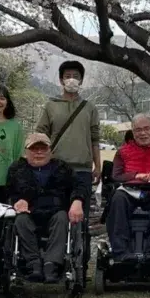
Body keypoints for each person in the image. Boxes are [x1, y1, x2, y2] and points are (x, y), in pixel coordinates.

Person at [6, 133, 89, 283]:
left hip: (56, 210)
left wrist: (77, 201)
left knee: (62, 218)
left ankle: (52, 264)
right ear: (26, 151)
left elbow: (79, 186)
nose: (39, 152)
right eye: (34, 149)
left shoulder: (62, 167)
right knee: (20, 221)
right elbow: (9, 193)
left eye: (43, 148)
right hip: (30, 211)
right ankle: (33, 264)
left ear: (50, 151)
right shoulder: (17, 169)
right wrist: (17, 201)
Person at [106, 113, 150, 263]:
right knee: (117, 198)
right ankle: (121, 252)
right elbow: (116, 176)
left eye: (147, 129)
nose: (143, 133)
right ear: (133, 132)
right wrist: (135, 175)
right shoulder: (123, 151)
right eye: (138, 130)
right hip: (129, 191)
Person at [35, 60, 102, 198]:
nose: (72, 79)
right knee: (57, 213)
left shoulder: (89, 108)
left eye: (76, 76)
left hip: (83, 169)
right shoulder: (51, 106)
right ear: (61, 80)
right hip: (56, 167)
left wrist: (98, 166)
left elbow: (95, 139)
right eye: (67, 76)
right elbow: (40, 136)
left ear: (81, 80)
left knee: (81, 214)